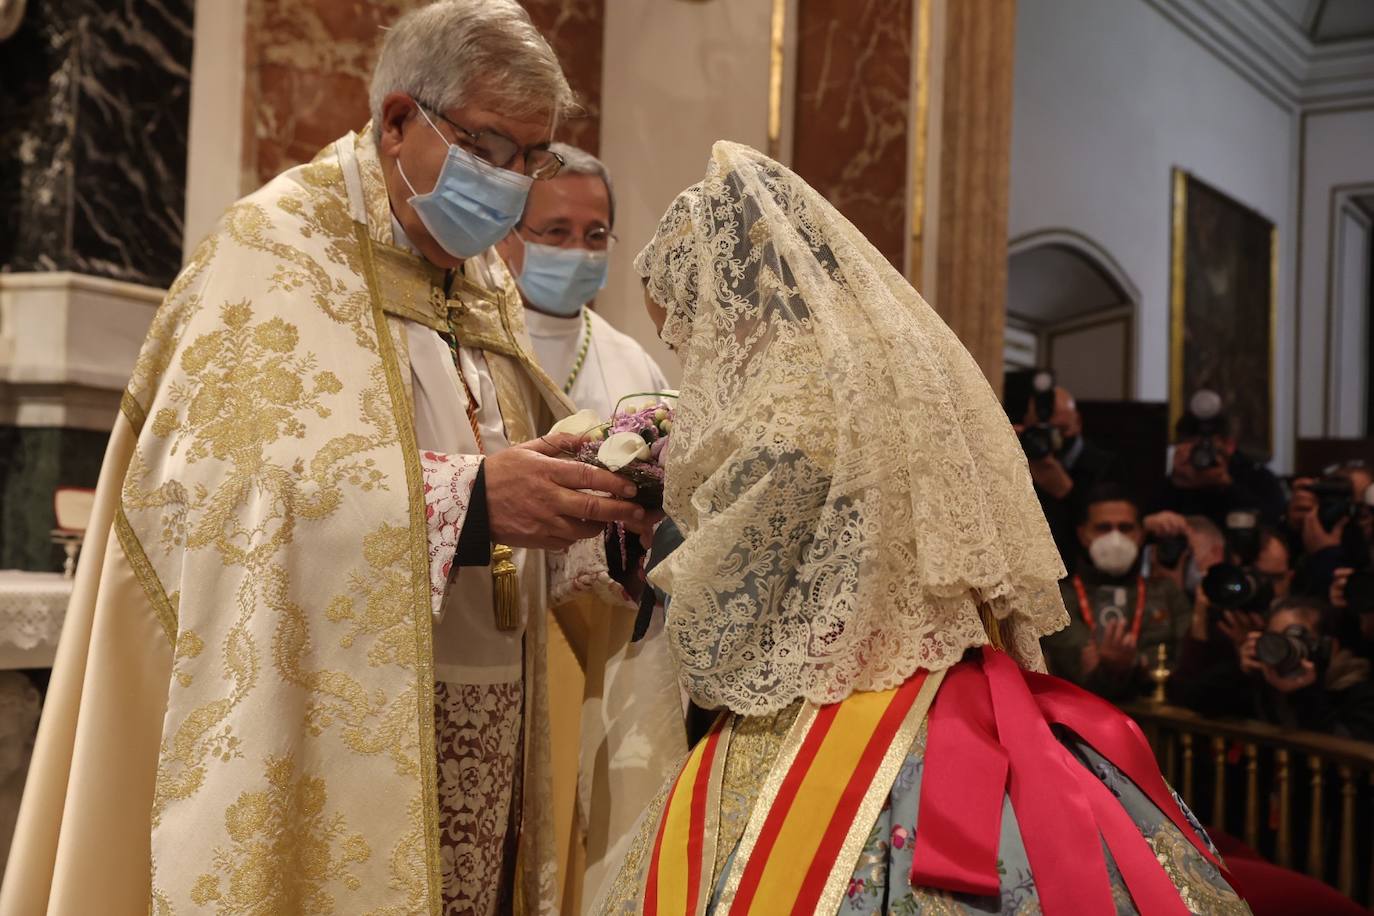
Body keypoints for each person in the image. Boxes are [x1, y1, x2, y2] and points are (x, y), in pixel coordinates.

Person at [0, 4, 651, 914]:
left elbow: (493, 448)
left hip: (493, 719)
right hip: (343, 730)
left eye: (530, 159)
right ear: (397, 122)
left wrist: (583, 499)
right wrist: (468, 506)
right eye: (490, 149)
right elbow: (231, 500)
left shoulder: (480, 279)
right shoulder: (274, 254)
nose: (511, 185)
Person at [596, 142, 1245, 915]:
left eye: (686, 336)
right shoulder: (887, 369)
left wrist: (659, 533)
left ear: (728, 308)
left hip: (841, 719)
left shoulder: (783, 409)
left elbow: (724, 632)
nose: (695, 360)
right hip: (959, 693)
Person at [496, 142, 684, 910]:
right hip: (492, 632)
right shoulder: (471, 339)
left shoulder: (631, 363)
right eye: (555, 232)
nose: (578, 251)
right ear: (509, 233)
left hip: (593, 639)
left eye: (596, 234)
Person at [1040, 485, 1191, 702]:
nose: (1115, 538)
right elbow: (1080, 669)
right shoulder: (1058, 599)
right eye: (1103, 528)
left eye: (1125, 528)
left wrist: (1129, 663)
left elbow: (1187, 666)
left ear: (1140, 534)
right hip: (1081, 722)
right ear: (1083, 535)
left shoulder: (1166, 592)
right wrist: (1139, 667)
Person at [1005, 372, 1115, 572]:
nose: (1053, 441)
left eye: (1061, 430)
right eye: (1043, 432)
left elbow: (1105, 531)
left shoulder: (1107, 466)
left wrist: (1067, 492)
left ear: (1078, 422)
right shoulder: (1013, 460)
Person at [1148, 391, 1285, 531]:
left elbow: (1272, 521)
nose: (1201, 455)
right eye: (1191, 445)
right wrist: (1177, 483)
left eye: (1207, 447)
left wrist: (1227, 485)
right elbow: (1146, 519)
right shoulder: (1164, 482)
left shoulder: (1257, 477)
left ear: (1229, 446)